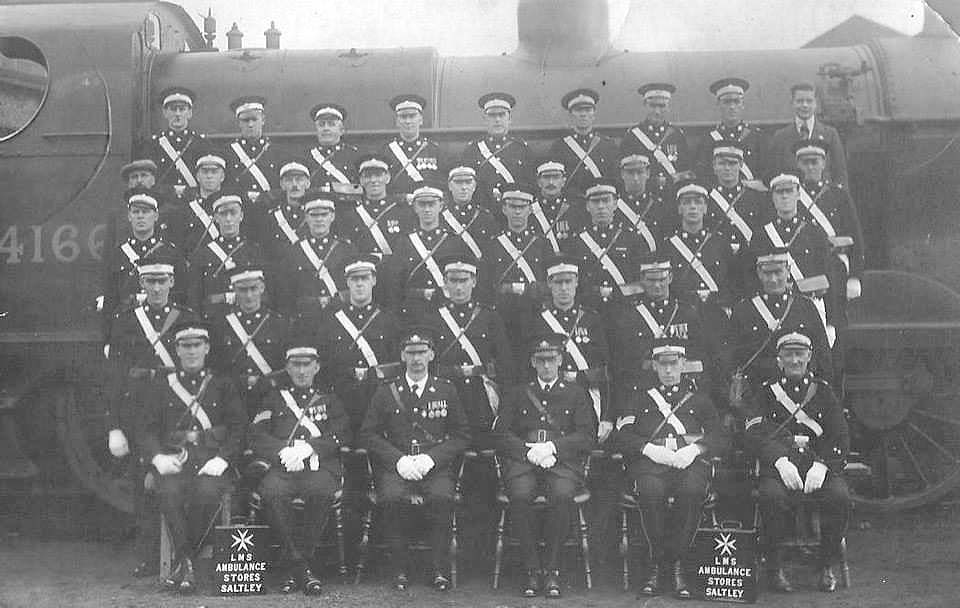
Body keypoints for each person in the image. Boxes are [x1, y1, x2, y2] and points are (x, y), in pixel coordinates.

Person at [103, 255, 198, 578]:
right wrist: (114, 425)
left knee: (182, 477)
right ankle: (147, 555)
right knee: (142, 483)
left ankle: (188, 552)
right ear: (141, 283)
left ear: (172, 283)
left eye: (162, 281)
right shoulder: (126, 320)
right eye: (150, 282)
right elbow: (114, 375)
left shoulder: (187, 317)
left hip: (177, 408)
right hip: (138, 409)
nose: (156, 288)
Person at [610, 340, 727, 598]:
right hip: (652, 465)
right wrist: (650, 450)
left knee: (693, 491)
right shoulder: (638, 398)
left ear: (683, 365)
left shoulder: (701, 399)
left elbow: (720, 436)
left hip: (689, 464)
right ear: (655, 366)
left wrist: (695, 450)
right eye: (663, 365)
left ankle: (676, 565)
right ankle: (658, 563)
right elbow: (622, 437)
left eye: (674, 364)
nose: (669, 371)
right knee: (650, 492)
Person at [138, 321, 245, 594]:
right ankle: (187, 561)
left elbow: (239, 428)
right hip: (175, 461)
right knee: (169, 493)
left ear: (207, 348)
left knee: (207, 494)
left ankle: (184, 560)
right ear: (176, 350)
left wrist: (223, 459)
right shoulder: (163, 386)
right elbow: (146, 428)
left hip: (210, 462)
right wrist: (157, 458)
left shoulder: (222, 384)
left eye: (197, 345)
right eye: (185, 346)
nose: (192, 351)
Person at [360, 329, 470, 592]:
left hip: (434, 468)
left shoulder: (446, 389)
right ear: (402, 356)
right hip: (397, 467)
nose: (416, 358)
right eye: (411, 353)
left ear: (431, 355)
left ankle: (438, 569)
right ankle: (399, 569)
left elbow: (462, 435)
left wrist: (432, 459)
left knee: (443, 498)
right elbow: (368, 433)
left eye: (422, 352)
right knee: (391, 498)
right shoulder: (387, 391)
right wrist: (398, 460)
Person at [743, 331, 849, 593]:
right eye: (788, 355)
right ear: (779, 359)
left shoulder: (823, 391)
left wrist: (823, 465)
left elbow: (840, 433)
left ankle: (826, 565)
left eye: (799, 354)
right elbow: (753, 433)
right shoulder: (765, 393)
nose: (794, 360)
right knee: (770, 497)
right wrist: (778, 460)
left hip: (817, 466)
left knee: (840, 497)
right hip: (780, 468)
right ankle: (775, 568)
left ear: (809, 357)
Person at [493, 333, 594, 598]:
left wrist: (554, 449)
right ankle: (531, 569)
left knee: (562, 496)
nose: (546, 366)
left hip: (560, 464)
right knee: (520, 495)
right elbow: (501, 434)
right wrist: (527, 452)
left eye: (551, 360)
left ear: (560, 360)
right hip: (524, 463)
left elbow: (587, 435)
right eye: (541, 360)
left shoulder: (576, 393)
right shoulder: (517, 394)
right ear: (532, 362)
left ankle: (553, 570)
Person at [249, 343, 349, 595]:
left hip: (317, 467)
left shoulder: (329, 399)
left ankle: (292, 567)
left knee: (320, 494)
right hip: (282, 467)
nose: (302, 371)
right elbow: (257, 435)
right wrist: (282, 451)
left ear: (317, 367)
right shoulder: (272, 398)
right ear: (287, 368)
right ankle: (302, 567)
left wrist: (311, 448)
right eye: (296, 365)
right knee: (272, 494)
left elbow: (343, 432)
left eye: (307, 365)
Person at [411, 255, 515, 444]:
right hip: (445, 395)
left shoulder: (489, 317)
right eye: (453, 281)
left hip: (481, 397)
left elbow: (505, 364)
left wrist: (505, 407)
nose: (459, 287)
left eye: (464, 280)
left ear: (474, 281)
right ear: (445, 282)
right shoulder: (432, 319)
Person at [606, 255, 727, 408]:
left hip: (685, 394)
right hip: (645, 394)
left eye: (662, 279)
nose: (657, 285)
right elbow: (623, 363)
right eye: (651, 280)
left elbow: (701, 355)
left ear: (670, 277)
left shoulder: (687, 313)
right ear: (642, 279)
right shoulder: (630, 316)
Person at [745, 172, 839, 347]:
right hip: (775, 309)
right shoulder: (761, 235)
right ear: (772, 197)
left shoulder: (815, 233)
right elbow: (752, 278)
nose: (785, 196)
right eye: (779, 192)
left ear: (798, 194)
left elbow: (829, 276)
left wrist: (831, 321)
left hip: (809, 307)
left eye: (789, 191)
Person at [521, 256, 610, 440]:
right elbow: (527, 368)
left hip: (586, 396)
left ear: (576, 282)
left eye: (568, 281)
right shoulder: (537, 320)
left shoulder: (592, 319)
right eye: (558, 282)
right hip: (549, 400)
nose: (563, 288)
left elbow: (605, 370)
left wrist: (607, 417)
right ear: (549, 284)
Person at [311, 256, 402, 432]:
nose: (360, 284)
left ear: (374, 280)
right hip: (341, 400)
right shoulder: (331, 322)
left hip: (378, 398)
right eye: (354, 279)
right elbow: (323, 367)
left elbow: (397, 364)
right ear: (347, 282)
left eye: (365, 278)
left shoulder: (389, 320)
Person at [729, 245, 833, 397]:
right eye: (767, 273)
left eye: (778, 272)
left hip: (802, 394)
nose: (773, 279)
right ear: (759, 273)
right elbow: (734, 358)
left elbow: (823, 356)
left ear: (788, 271)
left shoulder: (805, 306)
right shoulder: (744, 310)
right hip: (758, 394)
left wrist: (824, 395)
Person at [482, 185, 551, 363]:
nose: (517, 212)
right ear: (504, 209)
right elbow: (484, 287)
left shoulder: (542, 244)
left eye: (522, 207)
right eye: (513, 207)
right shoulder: (492, 245)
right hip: (503, 321)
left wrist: (523, 289)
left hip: (535, 317)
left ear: (530, 209)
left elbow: (551, 285)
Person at [209, 267, 290, 418]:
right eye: (242, 290)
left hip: (270, 395)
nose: (249, 295)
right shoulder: (221, 325)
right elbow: (216, 366)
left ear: (262, 288)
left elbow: (286, 366)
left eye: (253, 288)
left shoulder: (278, 323)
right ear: (233, 290)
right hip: (233, 396)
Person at [383, 184, 471, 319]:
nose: (427, 209)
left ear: (440, 206)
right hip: (412, 310)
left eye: (431, 204)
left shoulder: (453, 241)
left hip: (447, 314)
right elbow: (395, 284)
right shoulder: (404, 242)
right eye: (422, 205)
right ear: (415, 208)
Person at [562, 177, 650, 309]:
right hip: (589, 309)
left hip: (624, 308)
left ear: (615, 204)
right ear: (587, 206)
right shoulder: (576, 241)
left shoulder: (632, 238)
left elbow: (642, 282)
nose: (601, 206)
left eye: (606, 200)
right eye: (595, 201)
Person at [102, 188, 186, 322]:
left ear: (156, 216)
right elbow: (110, 302)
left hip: (164, 325)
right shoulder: (117, 255)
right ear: (129, 216)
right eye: (136, 212)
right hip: (127, 326)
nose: (140, 216)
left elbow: (181, 297)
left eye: (146, 212)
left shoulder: (171, 253)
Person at [186, 191, 267, 319]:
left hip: (247, 319)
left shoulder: (256, 251)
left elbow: (265, 293)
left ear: (241, 216)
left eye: (233, 213)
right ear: (216, 218)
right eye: (223, 214)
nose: (228, 219)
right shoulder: (202, 255)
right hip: (214, 319)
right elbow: (195, 298)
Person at [277, 193, 358, 320]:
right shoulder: (293, 252)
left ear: (332, 216)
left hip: (340, 322)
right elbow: (286, 293)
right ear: (306, 218)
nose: (319, 219)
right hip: (305, 320)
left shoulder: (347, 250)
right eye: (314, 215)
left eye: (324, 214)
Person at [663, 180, 737, 309]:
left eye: (698, 202)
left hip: (717, 310)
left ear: (705, 208)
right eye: (687, 202)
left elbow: (731, 281)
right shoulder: (669, 246)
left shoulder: (720, 243)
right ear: (679, 209)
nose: (693, 207)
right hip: (683, 311)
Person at [460, 92, 530, 212]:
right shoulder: (473, 150)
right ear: (485, 119)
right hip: (483, 212)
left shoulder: (522, 149)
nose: (497, 120)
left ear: (509, 119)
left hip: (514, 213)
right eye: (492, 115)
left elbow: (531, 184)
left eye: (502, 115)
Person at [337, 155, 416, 261]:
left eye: (378, 175)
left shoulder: (402, 210)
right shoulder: (352, 213)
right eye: (368, 176)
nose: (373, 180)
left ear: (387, 178)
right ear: (361, 180)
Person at [768, 83, 848, 186]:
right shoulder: (780, 137)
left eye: (809, 101)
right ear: (792, 103)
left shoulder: (830, 134)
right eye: (800, 101)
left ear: (816, 103)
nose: (805, 105)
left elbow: (840, 175)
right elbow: (773, 174)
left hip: (824, 198)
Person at [620, 83, 691, 195]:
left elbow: (686, 171)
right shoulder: (632, 136)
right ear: (644, 105)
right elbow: (624, 174)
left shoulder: (677, 135)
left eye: (662, 106)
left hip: (672, 197)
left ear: (668, 107)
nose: (657, 111)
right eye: (652, 106)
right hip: (646, 198)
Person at [547, 88, 618, 196]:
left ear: (594, 114)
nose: (583, 114)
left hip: (600, 201)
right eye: (578, 110)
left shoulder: (607, 145)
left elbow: (615, 179)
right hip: (573, 203)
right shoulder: (559, 147)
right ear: (570, 115)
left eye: (588, 110)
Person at [697, 77, 767, 184]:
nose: (732, 107)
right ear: (718, 105)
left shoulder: (757, 137)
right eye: (727, 102)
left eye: (736, 101)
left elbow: (765, 174)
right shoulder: (708, 139)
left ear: (743, 105)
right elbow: (703, 175)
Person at [144, 86, 205, 199]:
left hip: (194, 203)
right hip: (163, 202)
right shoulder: (153, 145)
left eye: (182, 109)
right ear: (165, 113)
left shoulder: (202, 144)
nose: (177, 114)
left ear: (190, 113)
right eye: (173, 109)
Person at [247, 159, 313, 261]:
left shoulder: (315, 215)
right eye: (289, 180)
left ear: (308, 183)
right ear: (282, 184)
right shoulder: (271, 218)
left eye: (299, 179)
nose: (294, 185)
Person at [381, 94, 440, 197]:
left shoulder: (434, 150)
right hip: (397, 207)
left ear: (420, 120)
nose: (408, 121)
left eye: (412, 116)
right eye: (403, 117)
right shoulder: (386, 152)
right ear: (397, 121)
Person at [441, 166, 500, 262]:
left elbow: (492, 253)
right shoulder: (441, 216)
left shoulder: (485, 217)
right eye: (458, 183)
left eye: (468, 182)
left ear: (474, 186)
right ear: (450, 186)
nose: (464, 187)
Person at [226, 96, 277, 204]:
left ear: (263, 120)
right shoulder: (228, 152)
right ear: (239, 123)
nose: (250, 124)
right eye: (245, 120)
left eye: (254, 119)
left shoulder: (276, 151)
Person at [529, 161, 589, 254]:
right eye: (546, 177)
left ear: (563, 181)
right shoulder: (530, 209)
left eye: (556, 177)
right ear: (539, 182)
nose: (551, 182)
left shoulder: (575, 207)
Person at [181, 152, 230, 257]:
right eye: (205, 172)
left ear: (222, 177)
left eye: (214, 172)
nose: (209, 176)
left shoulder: (230, 207)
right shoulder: (187, 209)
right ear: (197, 177)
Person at [305, 103, 360, 192]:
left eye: (331, 124)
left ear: (341, 130)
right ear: (316, 130)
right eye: (321, 124)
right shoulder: (306, 157)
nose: (326, 128)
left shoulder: (355, 155)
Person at [616, 153, 670, 239]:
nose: (635, 178)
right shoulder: (615, 207)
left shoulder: (659, 206)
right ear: (622, 174)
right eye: (630, 173)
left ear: (648, 174)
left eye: (640, 172)